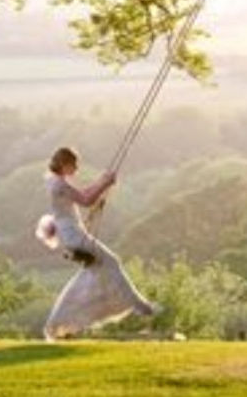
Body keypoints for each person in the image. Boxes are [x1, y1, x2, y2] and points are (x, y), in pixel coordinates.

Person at [35, 146, 158, 340]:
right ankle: (140, 306)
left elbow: (82, 194)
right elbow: (86, 200)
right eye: (73, 165)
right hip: (74, 236)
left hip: (73, 235)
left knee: (96, 272)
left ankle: (59, 324)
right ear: (64, 164)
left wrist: (103, 182)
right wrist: (105, 183)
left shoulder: (57, 182)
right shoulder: (59, 184)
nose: (76, 169)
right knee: (111, 262)